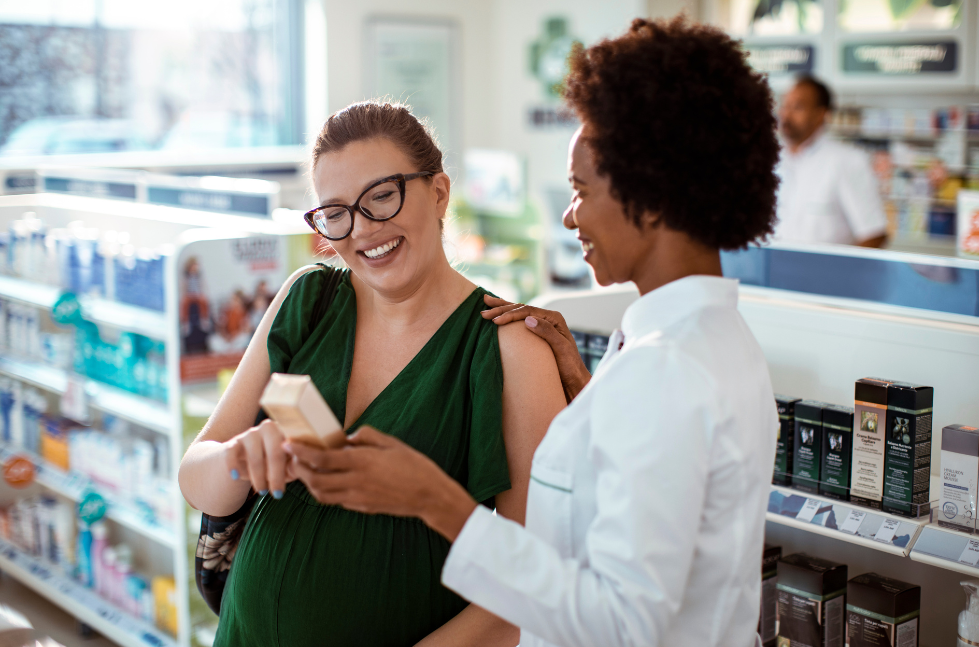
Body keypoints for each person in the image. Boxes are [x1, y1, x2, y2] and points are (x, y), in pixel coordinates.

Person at [283, 17, 780, 647]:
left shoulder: (668, 370)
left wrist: (438, 502)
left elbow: (623, 624)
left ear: (649, 197)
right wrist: (589, 394)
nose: (571, 216)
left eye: (580, 190)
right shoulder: (713, 342)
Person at [177, 101, 566, 646]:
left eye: (382, 196)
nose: (361, 229)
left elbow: (533, 587)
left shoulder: (509, 347)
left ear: (438, 193)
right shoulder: (306, 299)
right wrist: (239, 460)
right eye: (335, 212)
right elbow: (197, 478)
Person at [774, 75, 888, 248]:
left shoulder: (847, 161)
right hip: (771, 270)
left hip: (824, 273)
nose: (786, 114)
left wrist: (841, 273)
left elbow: (874, 234)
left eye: (797, 107)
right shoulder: (772, 159)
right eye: (785, 105)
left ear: (820, 114)